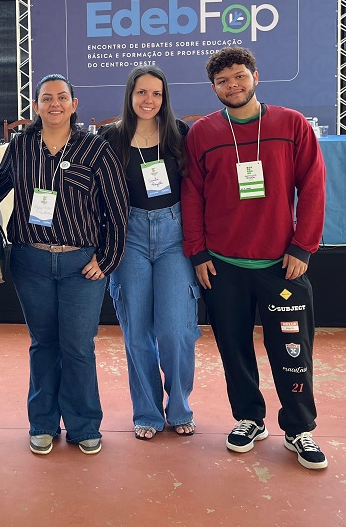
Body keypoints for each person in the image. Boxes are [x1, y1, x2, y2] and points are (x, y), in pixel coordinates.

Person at [181, 47, 328, 470]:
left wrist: (304, 246)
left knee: (292, 349)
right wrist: (198, 251)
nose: (233, 86)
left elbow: (314, 186)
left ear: (256, 77)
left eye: (239, 77)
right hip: (223, 266)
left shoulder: (290, 124)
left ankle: (299, 428)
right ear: (213, 88)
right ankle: (249, 418)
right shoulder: (203, 133)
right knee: (234, 348)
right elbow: (192, 196)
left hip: (281, 264)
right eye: (223, 82)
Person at [0, 73, 128, 456]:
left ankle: (85, 425)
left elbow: (117, 209)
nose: (54, 104)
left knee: (78, 347)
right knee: (43, 344)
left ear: (74, 104)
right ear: (36, 106)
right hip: (30, 260)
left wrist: (107, 259)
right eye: (46, 98)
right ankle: (42, 423)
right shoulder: (20, 147)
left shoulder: (95, 148)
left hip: (81, 265)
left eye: (62, 97)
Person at [100, 65, 201, 441]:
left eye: (156, 93)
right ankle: (146, 412)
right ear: (130, 96)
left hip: (174, 237)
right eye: (141, 92)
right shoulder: (111, 139)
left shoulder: (180, 135)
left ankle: (180, 408)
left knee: (177, 331)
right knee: (137, 333)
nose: (149, 100)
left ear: (165, 97)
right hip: (131, 238)